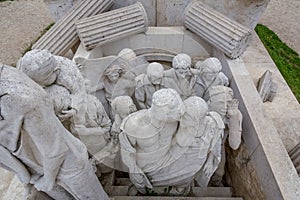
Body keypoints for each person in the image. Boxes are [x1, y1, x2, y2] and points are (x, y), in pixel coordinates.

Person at [0, 64, 109, 200]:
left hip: (65, 166)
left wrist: (47, 181)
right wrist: (23, 174)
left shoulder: (21, 98)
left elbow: (56, 151)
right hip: (38, 171)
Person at [144, 97, 224, 195]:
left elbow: (216, 144)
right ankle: (158, 186)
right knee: (162, 174)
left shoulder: (213, 124)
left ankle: (180, 190)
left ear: (197, 119)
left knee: (186, 177)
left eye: (187, 117)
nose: (182, 118)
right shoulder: (178, 120)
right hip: (176, 153)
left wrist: (210, 161)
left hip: (196, 159)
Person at [119, 89, 185, 193]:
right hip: (146, 169)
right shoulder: (133, 124)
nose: (179, 115)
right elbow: (126, 151)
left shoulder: (173, 121)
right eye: (175, 113)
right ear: (162, 112)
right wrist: (134, 171)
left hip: (167, 163)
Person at [18, 49, 88, 127]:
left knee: (58, 96)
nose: (41, 84)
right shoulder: (32, 70)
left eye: (44, 80)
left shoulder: (67, 74)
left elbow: (79, 90)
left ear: (55, 71)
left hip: (63, 95)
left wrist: (75, 109)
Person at [207, 85, 243, 186]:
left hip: (219, 147)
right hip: (202, 147)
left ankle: (213, 186)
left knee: (219, 173)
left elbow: (234, 145)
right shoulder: (205, 110)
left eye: (228, 103)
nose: (225, 107)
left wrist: (234, 118)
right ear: (212, 101)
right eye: (221, 103)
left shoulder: (234, 114)